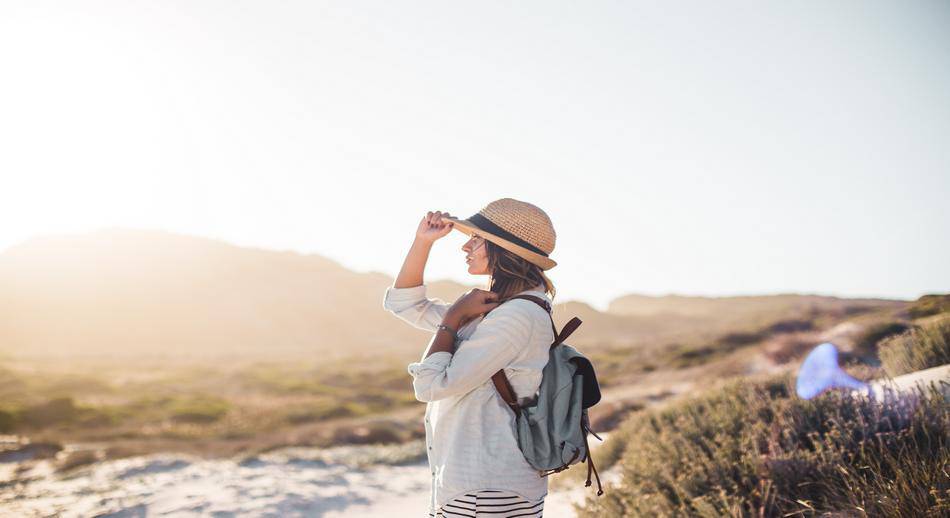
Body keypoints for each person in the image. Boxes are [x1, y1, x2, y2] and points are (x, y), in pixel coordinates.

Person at [382, 198, 559, 518]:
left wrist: (452, 319)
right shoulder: (500, 309)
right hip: (481, 485)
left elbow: (432, 386)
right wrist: (423, 242)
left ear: (504, 250)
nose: (466, 246)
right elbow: (406, 305)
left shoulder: (516, 315)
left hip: (487, 487)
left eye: (477, 239)